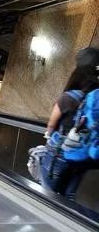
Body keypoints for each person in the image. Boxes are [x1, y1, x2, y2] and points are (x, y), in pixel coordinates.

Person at [40, 49, 99, 201]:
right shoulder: (96, 99)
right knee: (69, 196)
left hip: (59, 153)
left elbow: (51, 125)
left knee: (47, 193)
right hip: (84, 156)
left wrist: (49, 136)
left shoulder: (68, 98)